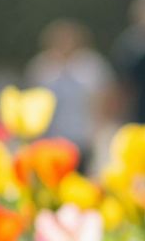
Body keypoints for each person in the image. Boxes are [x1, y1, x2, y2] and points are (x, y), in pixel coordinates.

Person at [25, 20, 114, 171]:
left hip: (81, 138)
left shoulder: (92, 66)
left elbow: (104, 98)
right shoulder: (41, 67)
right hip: (51, 140)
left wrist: (98, 130)